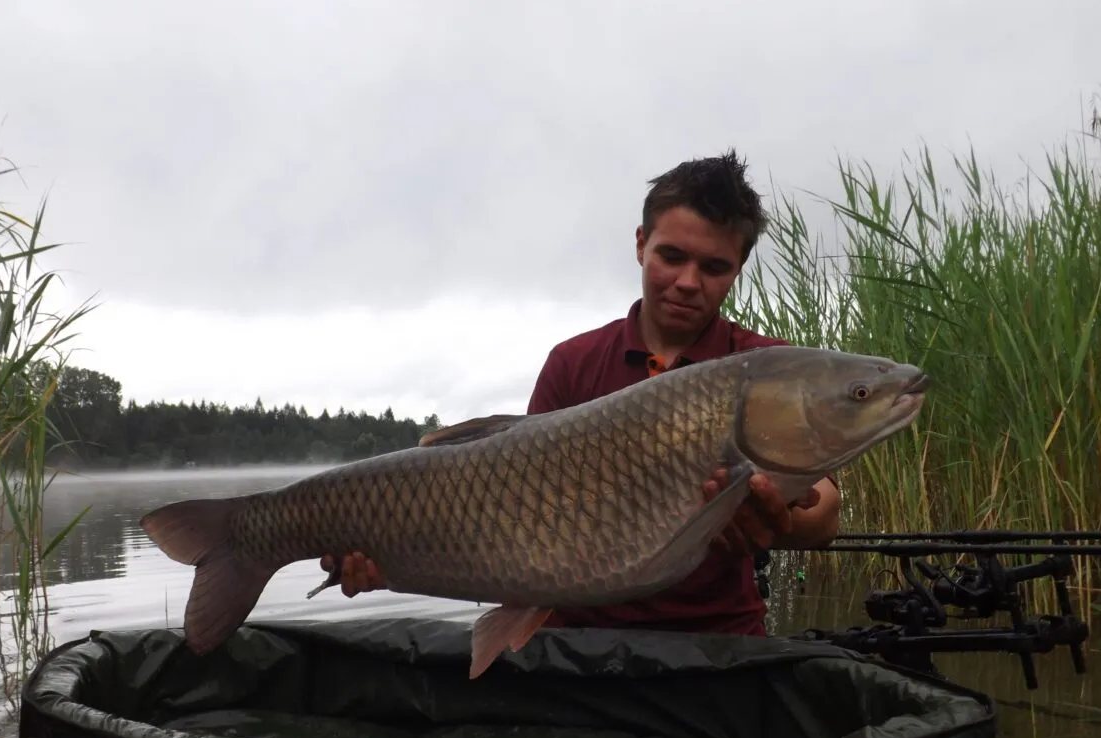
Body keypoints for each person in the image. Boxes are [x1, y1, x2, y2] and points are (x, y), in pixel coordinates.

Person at [320, 149, 841, 638]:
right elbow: (507, 515)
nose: (687, 281)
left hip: (719, 640)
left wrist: (779, 523)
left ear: (738, 269)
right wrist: (394, 561)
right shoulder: (573, 362)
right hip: (577, 643)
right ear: (641, 243)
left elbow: (824, 516)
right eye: (671, 256)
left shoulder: (767, 369)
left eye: (713, 267)